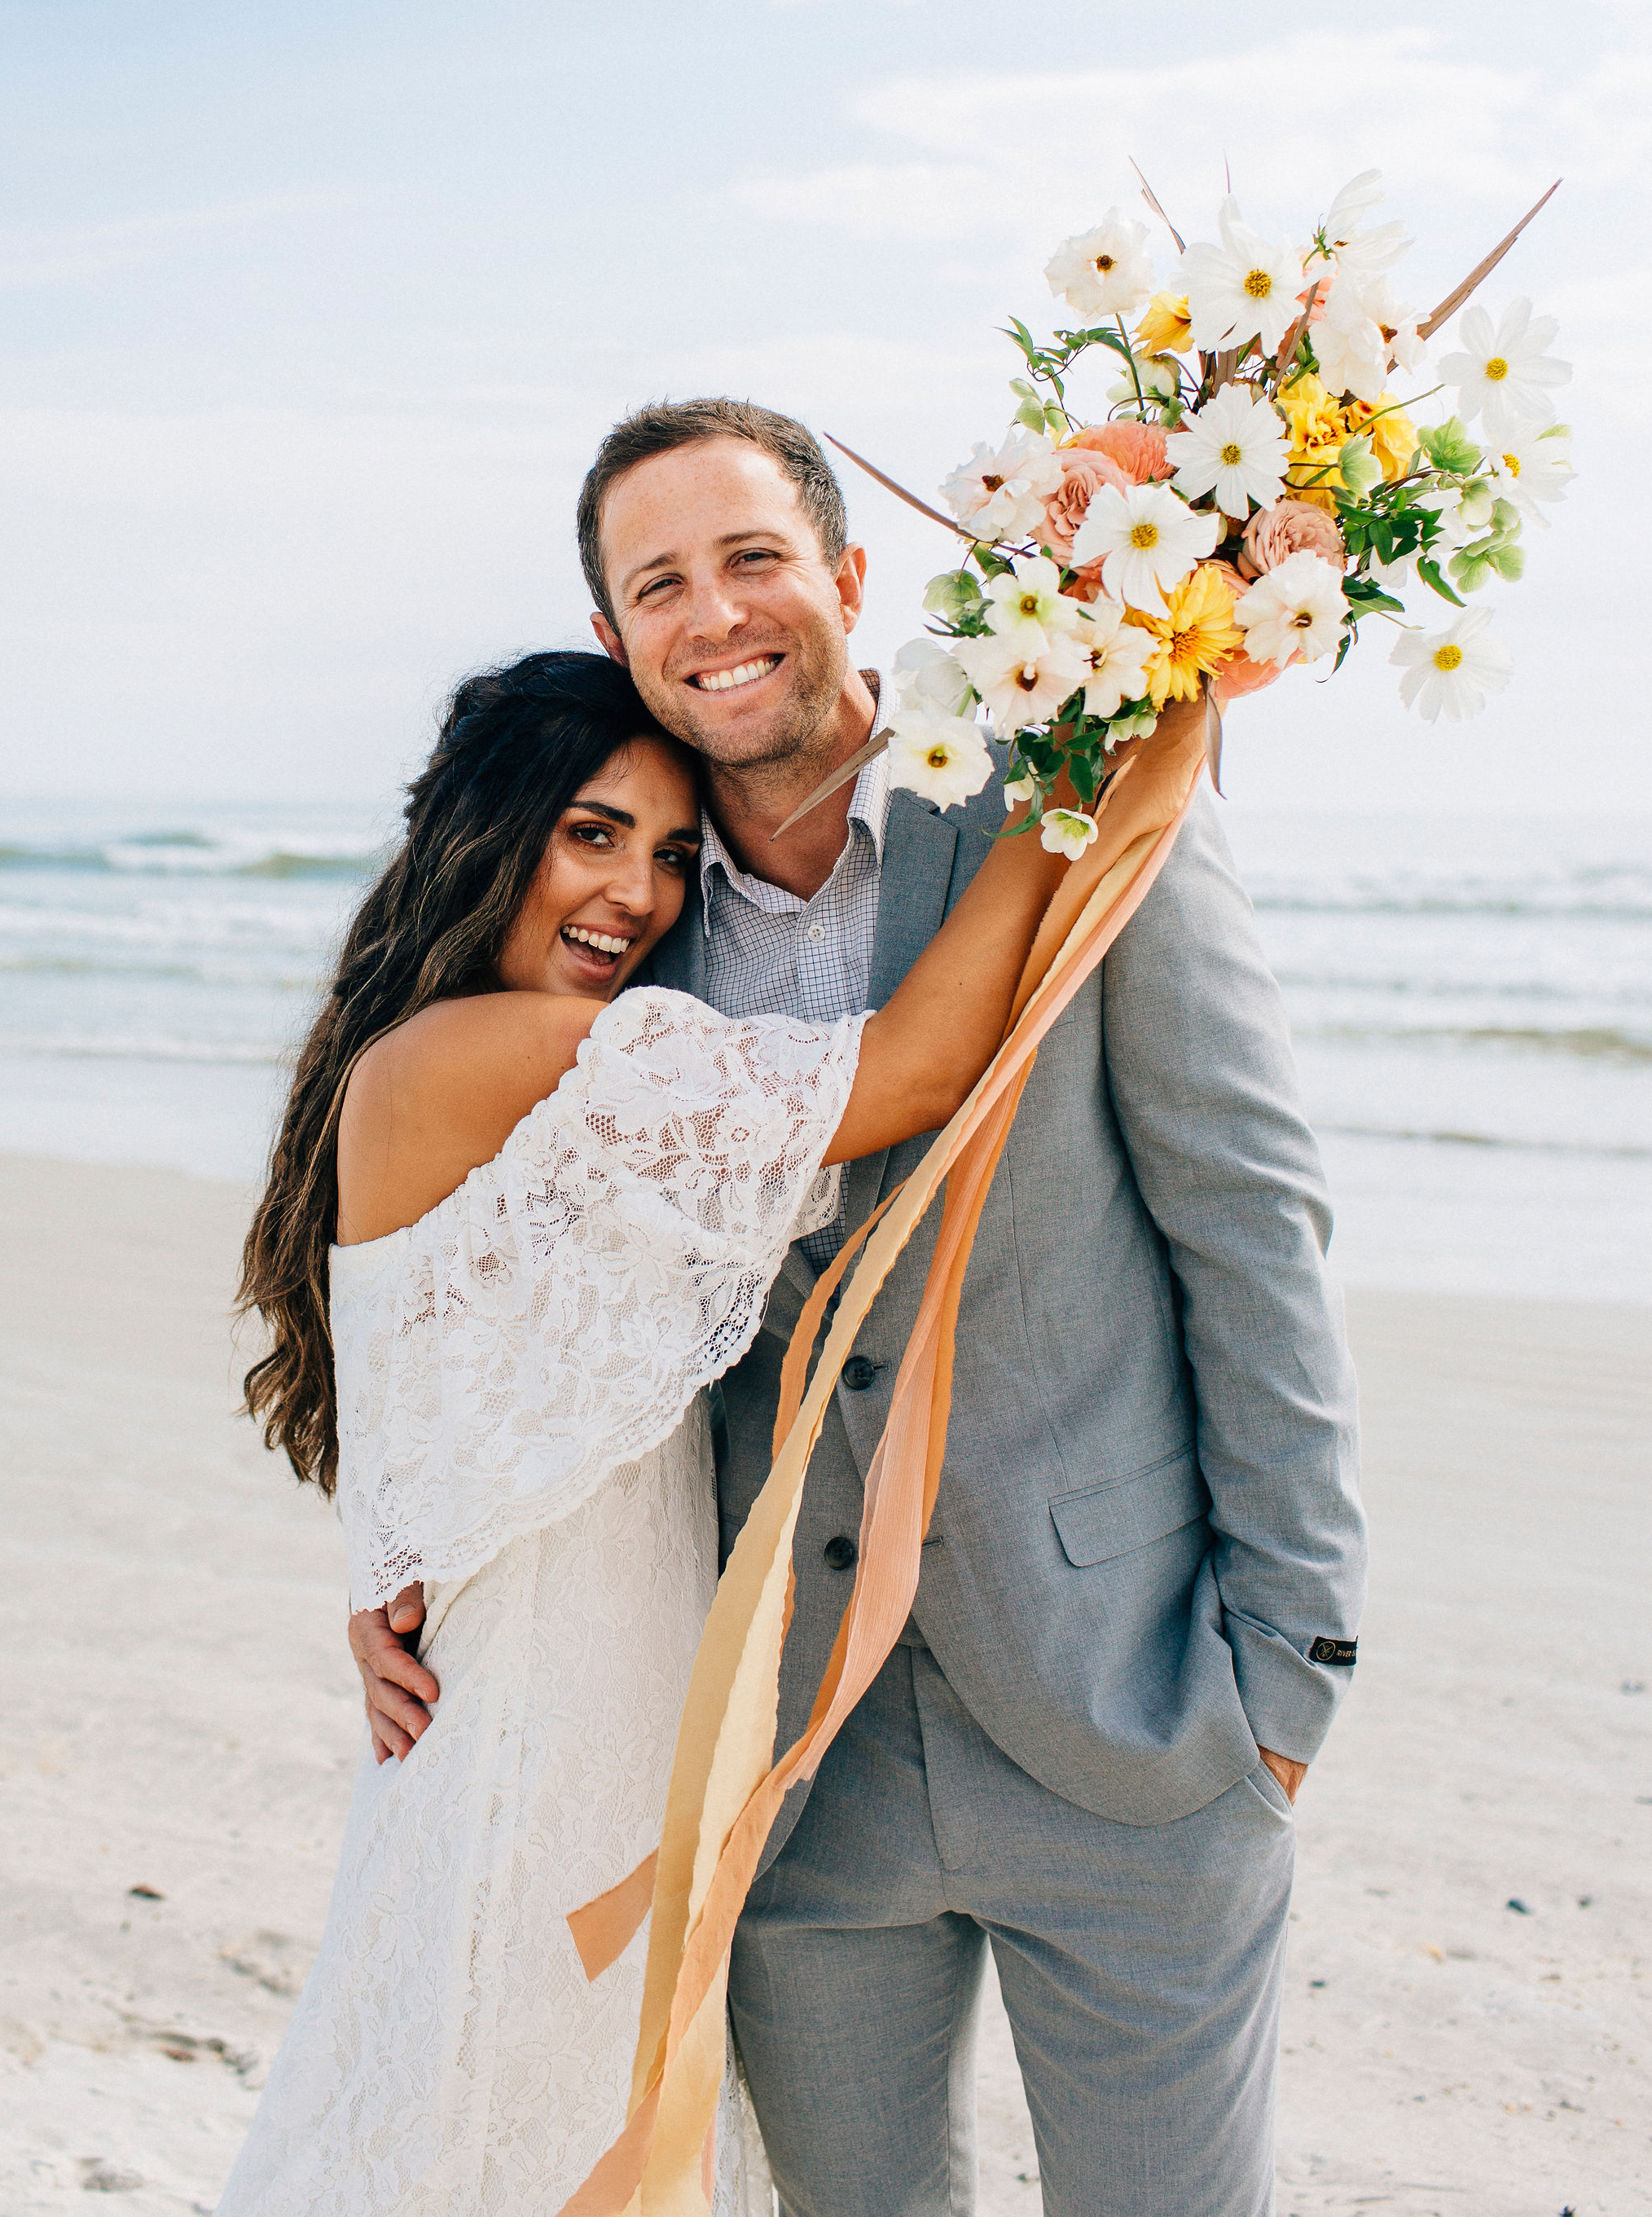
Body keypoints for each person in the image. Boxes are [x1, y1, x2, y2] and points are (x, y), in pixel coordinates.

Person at [354, 402, 1367, 2217]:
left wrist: (1291, 1659)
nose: (716, 612)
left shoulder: (1072, 795)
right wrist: (400, 1551)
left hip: (1133, 1716)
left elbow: (1248, 1213)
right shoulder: (612, 933)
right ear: (618, 641)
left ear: (848, 577)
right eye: (659, 582)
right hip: (792, 1774)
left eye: (752, 558)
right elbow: (449, 1264)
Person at [219, 646, 1083, 2217]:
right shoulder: (494, 1053)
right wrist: (1070, 787)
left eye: (675, 855)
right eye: (593, 832)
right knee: (510, 2122)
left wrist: (384, 1572)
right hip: (550, 1731)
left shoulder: (444, 1059)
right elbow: (909, 1070)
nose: (640, 891)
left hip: (566, 1697)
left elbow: (436, 1404)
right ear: (490, 833)